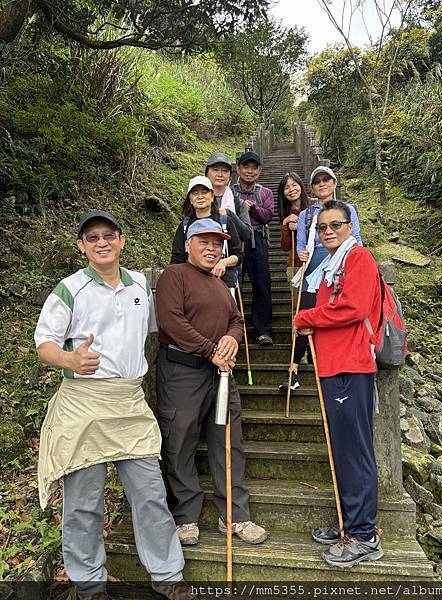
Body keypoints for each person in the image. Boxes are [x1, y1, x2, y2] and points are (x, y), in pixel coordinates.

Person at [34, 210, 189, 600]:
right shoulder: (69, 289)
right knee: (84, 503)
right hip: (83, 405)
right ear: (82, 247)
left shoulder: (139, 283)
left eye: (108, 235)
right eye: (92, 238)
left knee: (150, 492)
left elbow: (158, 327)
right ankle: (89, 585)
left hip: (129, 403)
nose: (101, 242)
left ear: (121, 241)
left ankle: (168, 576)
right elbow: (44, 344)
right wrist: (70, 360)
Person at [156, 218, 268, 547]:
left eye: (217, 243)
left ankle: (234, 514)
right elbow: (171, 321)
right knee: (180, 441)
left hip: (220, 373)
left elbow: (235, 319)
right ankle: (185, 516)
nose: (212, 248)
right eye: (204, 242)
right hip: (183, 372)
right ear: (188, 244)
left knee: (227, 440)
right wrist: (211, 350)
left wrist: (232, 340)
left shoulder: (220, 283)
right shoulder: (173, 276)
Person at [294, 200, 383, 568]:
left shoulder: (358, 258)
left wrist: (308, 315)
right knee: (341, 448)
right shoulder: (334, 264)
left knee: (354, 450)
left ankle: (363, 535)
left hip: (351, 365)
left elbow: (354, 307)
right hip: (333, 366)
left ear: (349, 226)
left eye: (335, 225)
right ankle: (350, 521)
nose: (328, 231)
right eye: (322, 227)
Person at [290, 167, 363, 388]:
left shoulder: (348, 209)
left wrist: (357, 262)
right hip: (313, 265)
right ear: (311, 187)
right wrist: (300, 253)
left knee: (334, 313)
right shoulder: (306, 214)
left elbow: (356, 238)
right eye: (317, 181)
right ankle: (294, 367)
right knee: (306, 313)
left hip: (341, 264)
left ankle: (326, 364)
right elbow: (301, 244)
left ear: (334, 183)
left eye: (326, 179)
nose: (322, 184)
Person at [171, 176, 243, 298]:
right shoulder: (184, 226)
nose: (200, 196)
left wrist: (223, 262)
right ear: (190, 199)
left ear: (212, 196)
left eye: (204, 192)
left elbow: (239, 255)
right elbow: (177, 258)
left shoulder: (225, 222)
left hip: (223, 283)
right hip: (192, 286)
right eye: (195, 193)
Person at [233, 151, 274, 345]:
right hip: (235, 240)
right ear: (238, 169)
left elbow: (267, 216)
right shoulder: (229, 191)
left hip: (258, 239)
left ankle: (263, 330)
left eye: (254, 168)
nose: (250, 171)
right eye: (246, 167)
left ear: (259, 171)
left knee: (262, 284)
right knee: (234, 284)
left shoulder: (264, 192)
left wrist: (252, 209)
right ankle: (234, 329)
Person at [277, 172, 310, 391]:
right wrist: (285, 225)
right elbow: (286, 246)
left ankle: (310, 352)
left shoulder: (314, 210)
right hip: (295, 266)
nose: (291, 189)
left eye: (294, 185)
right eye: (286, 187)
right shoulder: (286, 214)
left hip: (315, 265)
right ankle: (300, 356)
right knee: (298, 312)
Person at [205, 152, 251, 242]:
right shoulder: (199, 200)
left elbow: (246, 235)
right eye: (215, 170)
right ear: (206, 173)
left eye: (225, 171)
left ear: (230, 176)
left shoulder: (238, 203)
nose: (220, 174)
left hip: (231, 254)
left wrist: (230, 214)